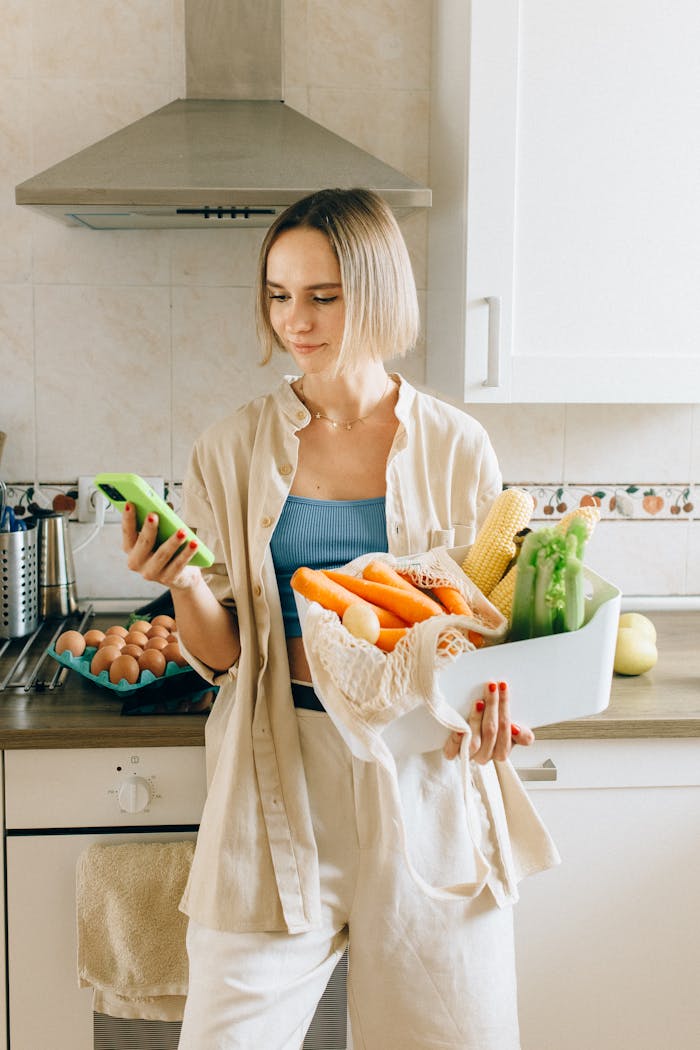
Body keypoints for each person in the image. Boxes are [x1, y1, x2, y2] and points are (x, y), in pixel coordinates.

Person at [122, 188, 559, 1050]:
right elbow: (226, 657)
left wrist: (498, 705)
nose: (298, 320)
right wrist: (181, 584)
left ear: (378, 291)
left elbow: (486, 626)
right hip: (277, 773)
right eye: (279, 295)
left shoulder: (456, 445)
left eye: (324, 295)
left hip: (427, 777)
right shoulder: (230, 446)